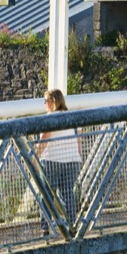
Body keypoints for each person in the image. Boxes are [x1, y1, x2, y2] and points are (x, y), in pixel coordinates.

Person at [38, 88, 82, 235]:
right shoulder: (72, 116)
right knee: (67, 194)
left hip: (52, 159)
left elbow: (44, 138)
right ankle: (71, 225)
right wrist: (78, 157)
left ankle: (45, 227)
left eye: (46, 101)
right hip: (72, 160)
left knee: (46, 194)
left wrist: (34, 156)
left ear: (53, 101)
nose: (44, 104)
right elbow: (79, 138)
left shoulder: (50, 117)